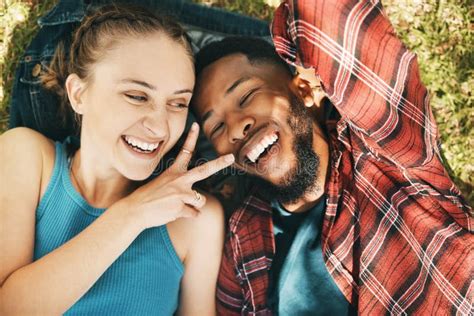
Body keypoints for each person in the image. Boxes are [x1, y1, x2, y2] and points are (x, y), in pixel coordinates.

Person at [191, 0, 473, 315]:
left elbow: (331, 13)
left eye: (246, 96)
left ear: (303, 90)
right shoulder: (240, 235)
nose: (235, 128)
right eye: (215, 126)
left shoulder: (384, 150)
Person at [0, 4, 235, 315]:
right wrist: (133, 214)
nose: (160, 126)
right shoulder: (26, 157)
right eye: (137, 96)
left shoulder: (195, 219)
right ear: (78, 94)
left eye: (178, 103)